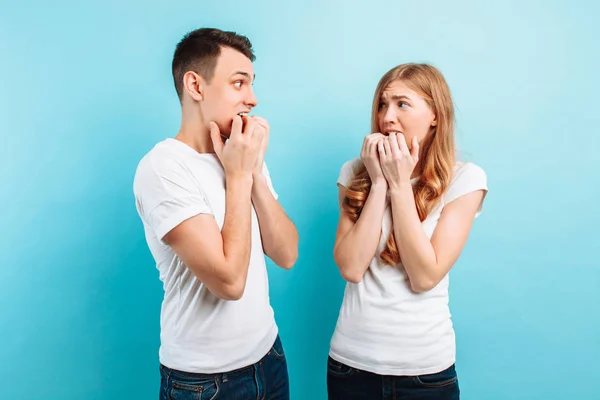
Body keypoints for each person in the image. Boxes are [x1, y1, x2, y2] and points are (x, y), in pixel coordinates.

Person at [133, 27, 298, 400]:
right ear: (195, 85)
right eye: (239, 83)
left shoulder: (239, 154)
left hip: (269, 356)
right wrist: (238, 176)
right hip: (205, 382)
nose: (253, 99)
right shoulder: (163, 168)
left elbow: (287, 253)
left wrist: (252, 171)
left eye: (252, 84)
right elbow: (229, 283)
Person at [328, 63, 488, 400]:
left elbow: (424, 276)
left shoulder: (465, 180)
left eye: (402, 104)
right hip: (350, 366)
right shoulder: (355, 171)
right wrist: (379, 183)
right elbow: (351, 268)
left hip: (425, 373)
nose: (387, 117)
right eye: (383, 105)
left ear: (435, 115)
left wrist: (400, 186)